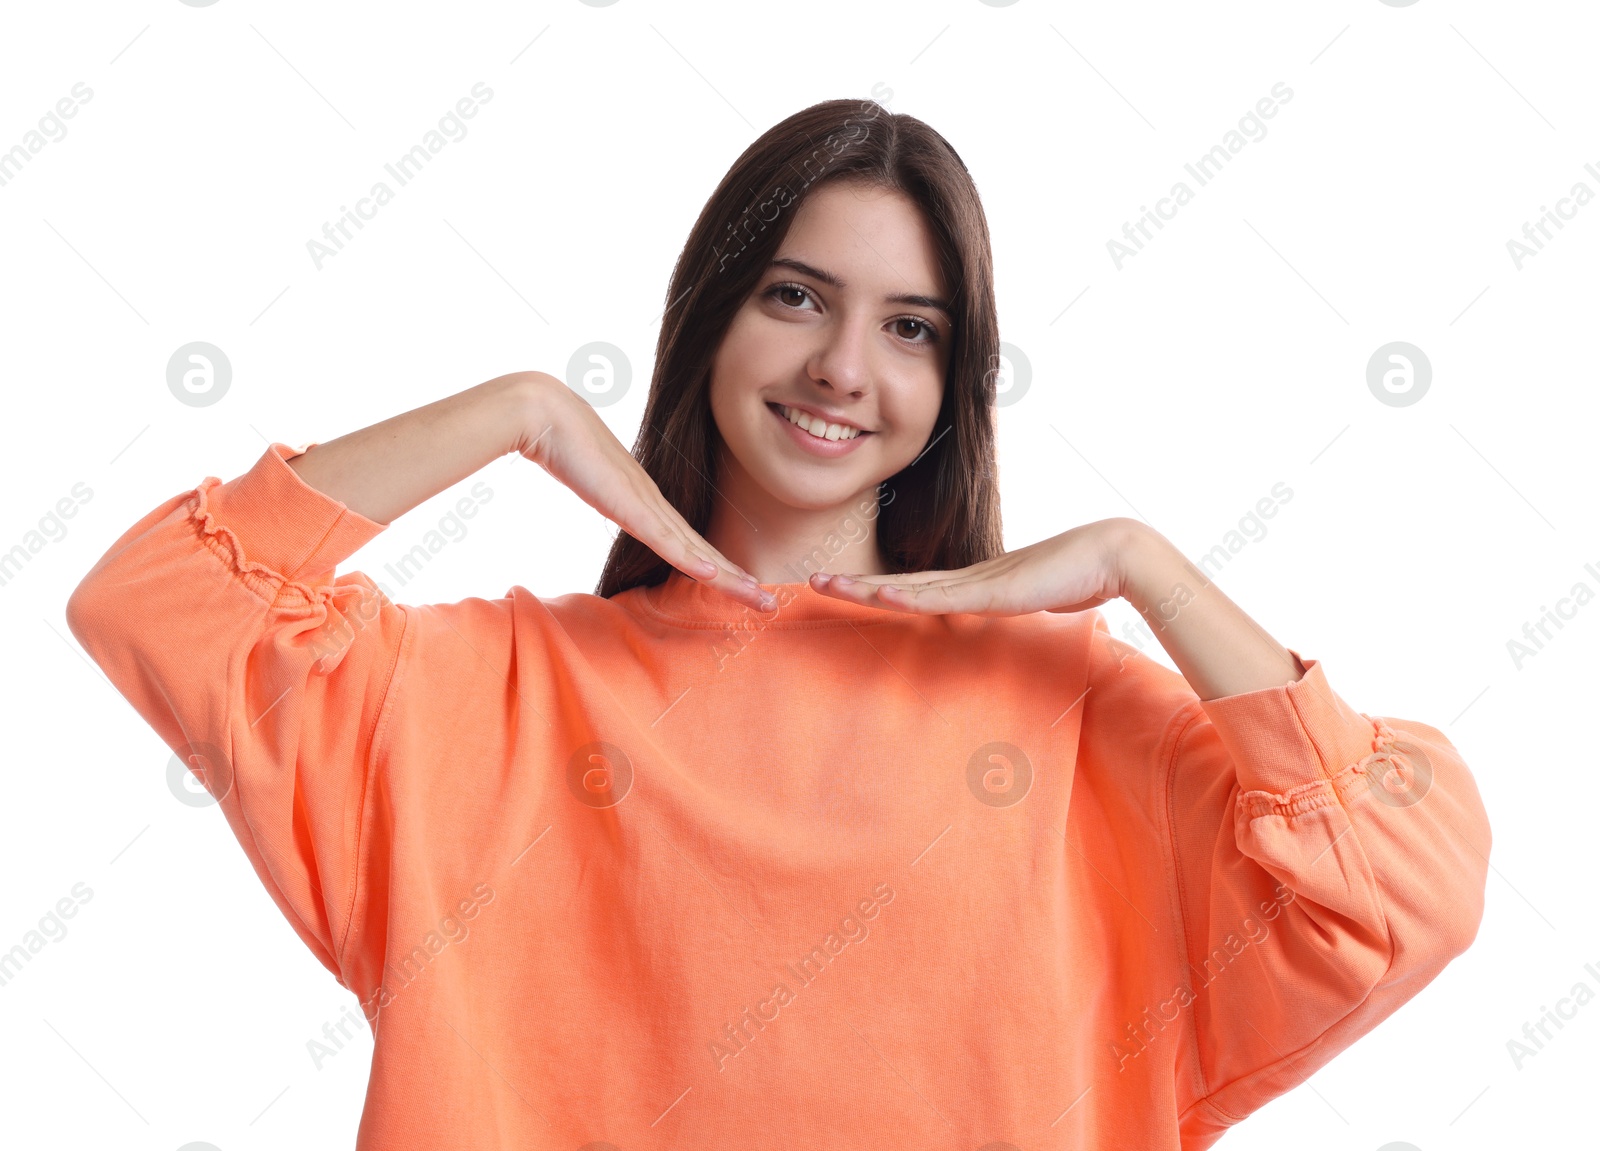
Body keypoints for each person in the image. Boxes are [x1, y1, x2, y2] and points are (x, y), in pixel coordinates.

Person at [66, 97, 1491, 1149]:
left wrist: (1144, 565)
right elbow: (156, 600)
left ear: (956, 388)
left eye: (912, 328)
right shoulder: (481, 696)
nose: (841, 369)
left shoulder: (1071, 712)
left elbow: (1398, 894)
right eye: (796, 297)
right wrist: (517, 412)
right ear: (712, 320)